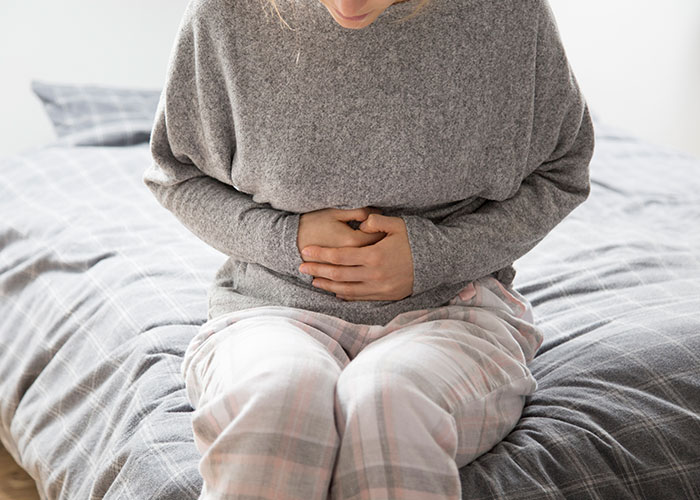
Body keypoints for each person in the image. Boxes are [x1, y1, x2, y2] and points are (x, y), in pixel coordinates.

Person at [143, 0, 595, 498]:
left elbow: (562, 172)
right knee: (276, 401)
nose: (348, 4)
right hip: (270, 308)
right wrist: (284, 238)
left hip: (454, 311)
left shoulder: (508, 14)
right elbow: (176, 174)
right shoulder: (224, 15)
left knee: (389, 403)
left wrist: (434, 255)